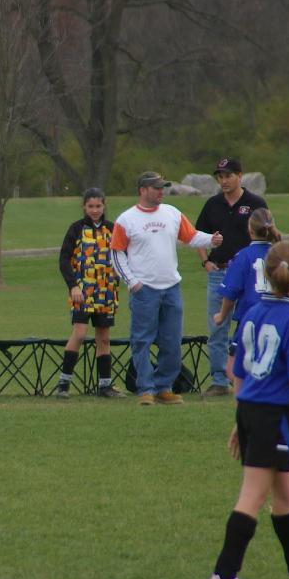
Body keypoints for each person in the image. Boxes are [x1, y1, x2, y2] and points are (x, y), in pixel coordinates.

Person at [206, 240, 289, 579]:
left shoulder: (252, 311)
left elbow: (239, 372)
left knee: (285, 492)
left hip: (252, 411)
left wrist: (240, 419)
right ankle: (223, 577)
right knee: (253, 495)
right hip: (272, 416)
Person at [110, 171, 222, 406]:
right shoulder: (126, 219)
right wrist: (132, 282)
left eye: (163, 187)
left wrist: (210, 240)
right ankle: (145, 389)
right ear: (143, 190)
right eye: (156, 188)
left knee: (172, 341)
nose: (162, 191)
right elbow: (117, 253)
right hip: (144, 290)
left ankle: (164, 387)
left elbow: (191, 237)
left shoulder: (172, 213)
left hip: (171, 287)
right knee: (142, 340)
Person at [195, 157, 268, 398]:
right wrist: (205, 261)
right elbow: (199, 235)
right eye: (220, 177)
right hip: (219, 271)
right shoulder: (212, 204)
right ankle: (219, 381)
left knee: (250, 324)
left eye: (228, 176)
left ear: (240, 176)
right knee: (217, 327)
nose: (224, 181)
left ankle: (252, 376)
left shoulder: (255, 203)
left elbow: (268, 234)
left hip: (248, 275)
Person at [53, 187, 123, 399]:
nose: (95, 210)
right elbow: (64, 260)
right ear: (84, 207)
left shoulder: (112, 229)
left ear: (104, 206)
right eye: (90, 206)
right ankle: (64, 383)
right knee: (80, 333)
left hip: (106, 291)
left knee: (103, 338)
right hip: (83, 291)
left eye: (98, 206)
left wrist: (119, 276)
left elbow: (121, 256)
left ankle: (105, 386)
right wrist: (73, 286)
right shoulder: (76, 229)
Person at [212, 208, 282, 382]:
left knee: (233, 370)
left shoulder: (243, 256)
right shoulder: (280, 255)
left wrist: (221, 315)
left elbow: (230, 293)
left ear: (250, 230)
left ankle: (253, 392)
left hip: (250, 318)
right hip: (279, 317)